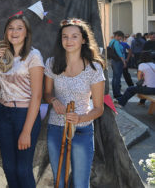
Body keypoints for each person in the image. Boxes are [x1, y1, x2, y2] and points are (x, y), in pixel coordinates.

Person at [44, 18, 105, 188]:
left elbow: (99, 108)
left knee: (80, 184)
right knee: (59, 181)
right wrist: (54, 100)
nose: (69, 41)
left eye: (74, 36)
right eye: (65, 37)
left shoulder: (94, 68)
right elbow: (47, 94)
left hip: (82, 130)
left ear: (83, 39)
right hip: (56, 128)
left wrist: (80, 118)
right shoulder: (52, 63)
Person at [0, 14, 43, 188]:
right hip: (5, 113)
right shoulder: (3, 56)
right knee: (9, 167)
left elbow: (37, 95)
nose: (14, 32)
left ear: (27, 33)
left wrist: (26, 130)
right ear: (6, 32)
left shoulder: (33, 56)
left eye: (19, 28)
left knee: (23, 169)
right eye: (11, 28)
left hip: (25, 114)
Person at [109, 31, 126, 99]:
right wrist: (123, 61)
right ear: (118, 36)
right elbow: (119, 52)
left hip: (113, 60)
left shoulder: (111, 41)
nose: (121, 38)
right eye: (120, 37)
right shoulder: (116, 42)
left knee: (115, 77)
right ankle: (117, 94)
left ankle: (115, 93)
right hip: (118, 61)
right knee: (117, 78)